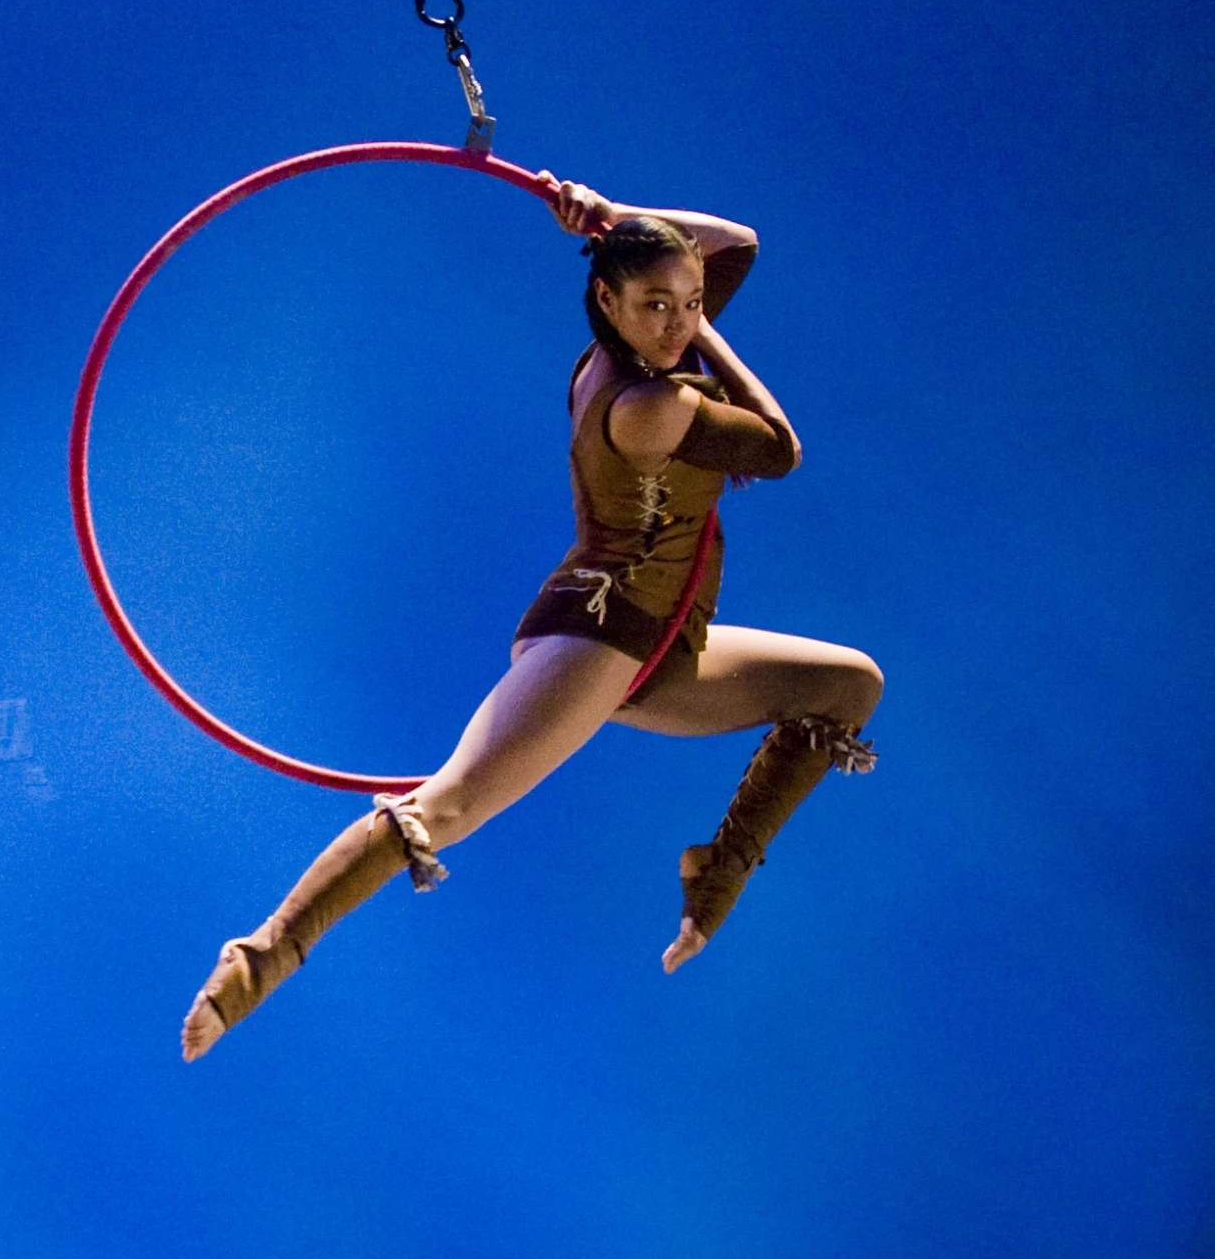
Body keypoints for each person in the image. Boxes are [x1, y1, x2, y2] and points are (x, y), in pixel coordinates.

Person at [180, 176, 883, 1062]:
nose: (677, 323)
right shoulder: (648, 401)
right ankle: (259, 957)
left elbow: (734, 240)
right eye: (657, 305)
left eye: (690, 303)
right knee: (451, 803)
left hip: (664, 640)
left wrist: (609, 215)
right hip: (603, 630)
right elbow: (779, 449)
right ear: (607, 302)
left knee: (850, 686)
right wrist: (702, 323)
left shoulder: (631, 353)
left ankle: (721, 870)